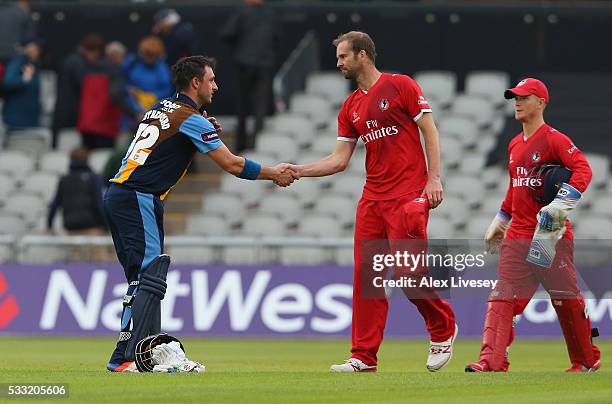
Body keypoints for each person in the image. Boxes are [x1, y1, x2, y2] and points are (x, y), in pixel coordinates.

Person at [104, 55, 297, 372]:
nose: (216, 86)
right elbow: (232, 164)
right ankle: (137, 358)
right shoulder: (190, 119)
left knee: (141, 280)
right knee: (151, 277)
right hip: (139, 197)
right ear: (196, 83)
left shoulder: (160, 108)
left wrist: (201, 130)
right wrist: (274, 173)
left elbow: (168, 142)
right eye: (211, 79)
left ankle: (131, 356)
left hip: (120, 194)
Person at [287, 32, 457, 373]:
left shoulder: (401, 85)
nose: (338, 63)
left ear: (362, 55)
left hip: (408, 195)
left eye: (342, 57)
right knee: (369, 278)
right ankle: (364, 356)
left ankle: (443, 327)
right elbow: (339, 160)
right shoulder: (350, 107)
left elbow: (430, 130)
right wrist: (298, 170)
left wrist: (433, 177)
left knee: (409, 274)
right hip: (372, 200)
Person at [465, 78, 600, 373]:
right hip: (517, 235)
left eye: (524, 97)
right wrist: (500, 219)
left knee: (565, 300)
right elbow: (516, 187)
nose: (517, 102)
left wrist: (560, 205)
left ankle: (586, 360)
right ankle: (492, 362)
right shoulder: (514, 144)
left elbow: (583, 169)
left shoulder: (554, 139)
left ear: (541, 102)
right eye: (514, 97)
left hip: (549, 235)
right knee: (501, 296)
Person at [220, 0, 279, 152]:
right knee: (261, 107)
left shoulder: (242, 11)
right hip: (264, 63)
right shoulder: (271, 13)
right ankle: (257, 146)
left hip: (244, 63)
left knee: (242, 106)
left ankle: (241, 146)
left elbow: (227, 33)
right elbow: (277, 36)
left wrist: (240, 45)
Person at [47, 147, 108, 261]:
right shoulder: (93, 178)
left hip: (71, 231)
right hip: (92, 230)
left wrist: (49, 225)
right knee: (96, 265)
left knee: (76, 267)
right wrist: (106, 226)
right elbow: (99, 203)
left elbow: (55, 204)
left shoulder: (64, 179)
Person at [51, 34, 105, 149]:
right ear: (94, 50)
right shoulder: (78, 63)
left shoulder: (72, 59)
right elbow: (85, 85)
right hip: (71, 112)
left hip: (64, 110)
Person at [1, 38, 41, 135]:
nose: (38, 51)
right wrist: (24, 79)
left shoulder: (32, 64)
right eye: (35, 48)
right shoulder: (18, 62)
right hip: (17, 120)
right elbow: (8, 82)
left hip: (28, 119)